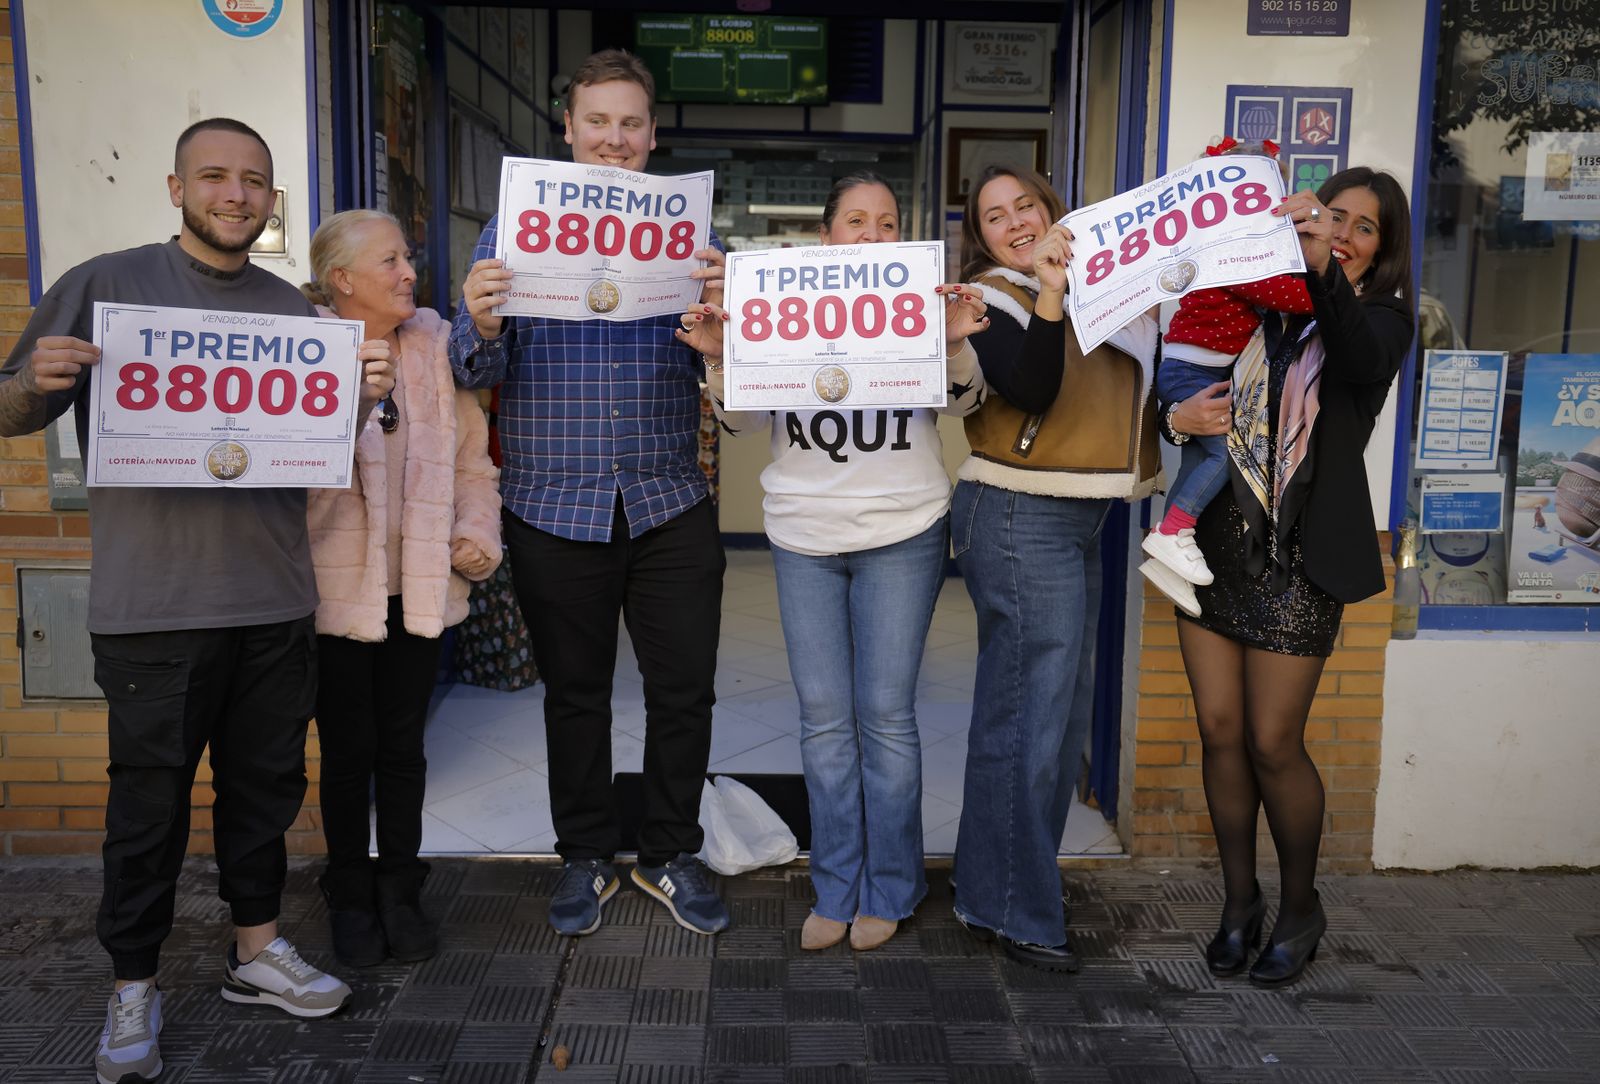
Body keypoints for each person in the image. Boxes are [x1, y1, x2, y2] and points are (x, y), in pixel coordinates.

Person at [0, 118, 396, 1084]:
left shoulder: (297, 314)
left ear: (271, 200)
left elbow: (311, 451)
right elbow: (9, 402)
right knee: (149, 810)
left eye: (254, 181)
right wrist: (33, 384)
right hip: (151, 606)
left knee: (263, 795)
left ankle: (256, 951)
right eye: (215, 176)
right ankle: (132, 983)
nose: (236, 194)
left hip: (271, 599)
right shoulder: (105, 284)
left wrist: (356, 395)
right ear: (176, 187)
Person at [450, 49, 730, 938]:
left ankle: (670, 853)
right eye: (597, 122)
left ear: (653, 136)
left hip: (669, 498)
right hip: (552, 503)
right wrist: (482, 319)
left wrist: (725, 324)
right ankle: (582, 857)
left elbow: (735, 377)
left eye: (632, 124)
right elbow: (471, 366)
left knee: (684, 693)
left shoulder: (690, 241)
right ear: (567, 130)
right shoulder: (509, 233)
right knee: (575, 696)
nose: (615, 139)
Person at [679, 173, 990, 952]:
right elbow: (744, 419)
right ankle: (836, 885)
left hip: (904, 526)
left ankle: (890, 885)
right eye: (856, 220)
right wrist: (722, 358)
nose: (873, 234)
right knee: (823, 723)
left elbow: (965, 402)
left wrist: (952, 338)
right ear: (827, 238)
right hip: (802, 533)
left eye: (887, 222)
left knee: (885, 718)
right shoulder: (780, 309)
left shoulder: (922, 306)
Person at [1162, 167, 1415, 986]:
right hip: (1215, 544)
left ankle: (1300, 906)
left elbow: (1354, 353)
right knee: (1222, 734)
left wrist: (1318, 272)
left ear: (1384, 249)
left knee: (1274, 742)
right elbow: (1184, 378)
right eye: (1332, 215)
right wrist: (1172, 417)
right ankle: (1240, 904)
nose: (1343, 231)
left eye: (1363, 227)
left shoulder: (1382, 319)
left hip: (1301, 559)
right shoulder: (1253, 297)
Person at [950, 166, 1163, 971]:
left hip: (1084, 513)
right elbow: (1032, 386)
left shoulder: (1101, 280)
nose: (1014, 223)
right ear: (983, 234)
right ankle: (1016, 908)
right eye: (995, 216)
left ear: (1052, 209)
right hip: (1016, 513)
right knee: (1027, 724)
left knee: (1059, 722)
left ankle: (996, 888)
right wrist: (1044, 292)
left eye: (1026, 207)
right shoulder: (992, 294)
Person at [301, 210, 503, 968]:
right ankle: (349, 890)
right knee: (349, 752)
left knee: (404, 751)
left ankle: (400, 887)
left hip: (418, 588)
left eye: (408, 258)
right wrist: (346, 397)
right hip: (337, 594)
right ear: (343, 279)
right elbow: (294, 492)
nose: (409, 273)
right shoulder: (308, 351)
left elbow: (474, 468)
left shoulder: (435, 345)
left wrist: (477, 537)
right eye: (390, 262)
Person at [1140, 138, 1315, 612]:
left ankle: (1167, 551)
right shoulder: (1227, 252)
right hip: (1191, 369)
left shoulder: (1238, 247)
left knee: (1202, 459)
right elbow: (1292, 296)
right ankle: (1174, 529)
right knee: (1224, 453)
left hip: (1194, 368)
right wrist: (1333, 286)